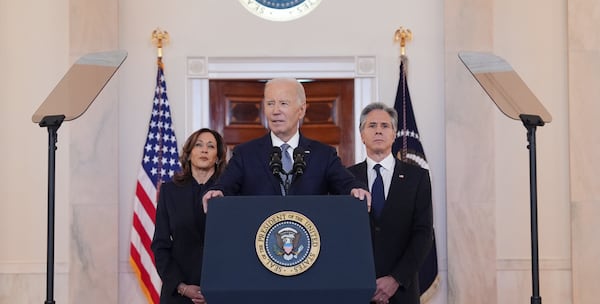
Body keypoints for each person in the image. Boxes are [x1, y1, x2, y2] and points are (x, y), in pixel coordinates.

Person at [202, 77, 370, 211]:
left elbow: (346, 183)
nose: (275, 111)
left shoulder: (323, 155)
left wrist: (355, 189)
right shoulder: (245, 154)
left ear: (301, 110)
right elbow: (225, 186)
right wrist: (218, 192)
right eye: (270, 104)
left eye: (283, 103)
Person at [348, 102, 433, 304]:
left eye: (385, 126)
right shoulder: (347, 179)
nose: (378, 130)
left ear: (394, 134)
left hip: (402, 291)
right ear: (362, 135)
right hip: (357, 290)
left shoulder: (417, 177)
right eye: (372, 125)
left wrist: (395, 279)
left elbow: (423, 233)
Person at [151, 128, 227, 304]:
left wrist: (218, 288)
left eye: (211, 146)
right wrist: (182, 287)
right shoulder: (169, 192)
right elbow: (160, 245)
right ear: (189, 153)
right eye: (198, 145)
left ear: (218, 156)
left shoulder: (228, 193)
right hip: (178, 293)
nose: (204, 150)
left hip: (221, 293)